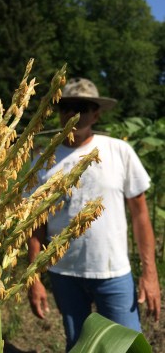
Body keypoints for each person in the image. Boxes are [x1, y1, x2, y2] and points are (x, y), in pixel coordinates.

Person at [28, 78, 161, 351]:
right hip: (63, 272)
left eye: (83, 107)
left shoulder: (118, 151)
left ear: (96, 113)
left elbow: (140, 216)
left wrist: (150, 273)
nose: (73, 114)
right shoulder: (44, 159)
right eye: (66, 106)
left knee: (127, 345)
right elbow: (35, 223)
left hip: (112, 271)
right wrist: (33, 278)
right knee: (78, 344)